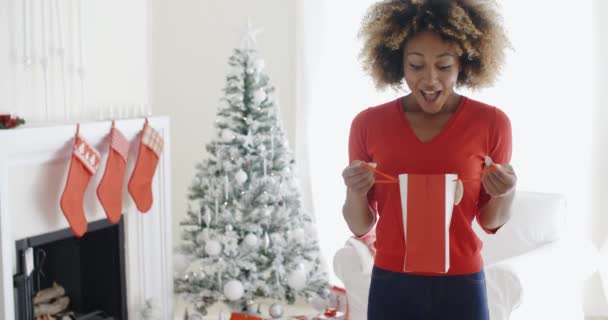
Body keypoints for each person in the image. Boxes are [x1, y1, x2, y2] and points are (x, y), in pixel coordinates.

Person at [341, 0, 517, 319]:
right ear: (399, 64)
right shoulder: (367, 124)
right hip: (392, 284)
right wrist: (354, 191)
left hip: (462, 284)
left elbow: (489, 221)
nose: (430, 80)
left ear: (463, 63)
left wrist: (506, 193)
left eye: (444, 65)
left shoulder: (491, 123)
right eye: (417, 65)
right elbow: (360, 224)